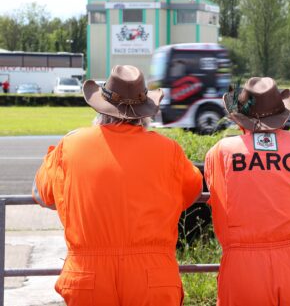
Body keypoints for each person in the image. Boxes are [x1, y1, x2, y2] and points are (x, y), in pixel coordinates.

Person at [32, 65, 203, 306]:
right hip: (152, 276)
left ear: (99, 108)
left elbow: (42, 194)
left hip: (88, 276)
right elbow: (192, 191)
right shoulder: (168, 150)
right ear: (144, 113)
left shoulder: (71, 145)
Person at [204, 77, 290, 306]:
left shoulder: (220, 152)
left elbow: (215, 191)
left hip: (243, 269)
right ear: (282, 117)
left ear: (240, 119)